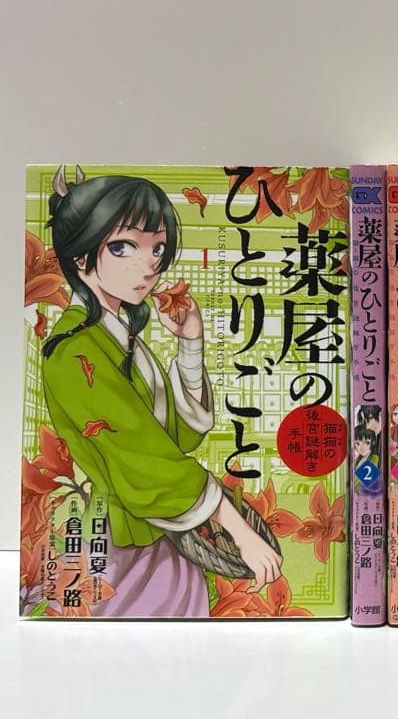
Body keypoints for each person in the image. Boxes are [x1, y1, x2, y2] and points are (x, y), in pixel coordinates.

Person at [39, 171, 282, 616]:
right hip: (126, 545)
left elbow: (176, 440)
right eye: (122, 247)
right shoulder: (75, 351)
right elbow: (143, 458)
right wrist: (239, 529)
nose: (149, 265)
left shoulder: (117, 336)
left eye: (157, 249)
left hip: (159, 534)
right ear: (79, 254)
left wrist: (190, 344)